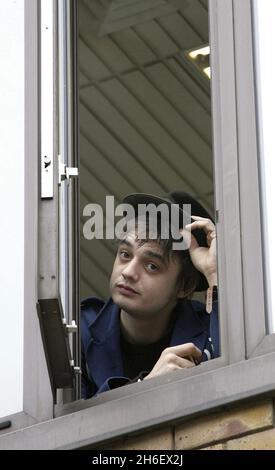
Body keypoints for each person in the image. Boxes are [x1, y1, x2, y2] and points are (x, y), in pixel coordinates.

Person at [81, 191, 219, 399]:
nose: (128, 272)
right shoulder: (78, 332)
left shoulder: (210, 330)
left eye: (152, 266)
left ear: (184, 286)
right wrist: (145, 388)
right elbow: (69, 424)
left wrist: (214, 274)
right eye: (125, 255)